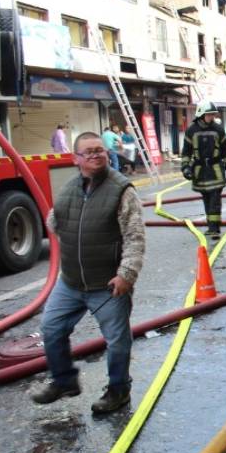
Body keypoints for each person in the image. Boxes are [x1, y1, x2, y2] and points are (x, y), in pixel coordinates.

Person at [31, 131, 145, 414]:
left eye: (100, 150)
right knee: (51, 328)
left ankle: (119, 390)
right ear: (76, 159)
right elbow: (54, 222)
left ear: (107, 154)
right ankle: (64, 380)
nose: (96, 155)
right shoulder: (69, 188)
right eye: (89, 152)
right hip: (70, 282)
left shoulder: (121, 189)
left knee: (117, 342)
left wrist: (126, 274)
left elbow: (135, 236)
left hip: (107, 285)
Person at [181, 101, 226, 240]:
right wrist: (185, 168)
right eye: (209, 115)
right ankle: (212, 225)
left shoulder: (218, 129)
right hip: (200, 170)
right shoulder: (191, 130)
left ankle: (214, 228)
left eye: (212, 114)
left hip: (215, 169)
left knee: (215, 199)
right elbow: (186, 152)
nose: (212, 117)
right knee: (206, 198)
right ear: (201, 114)